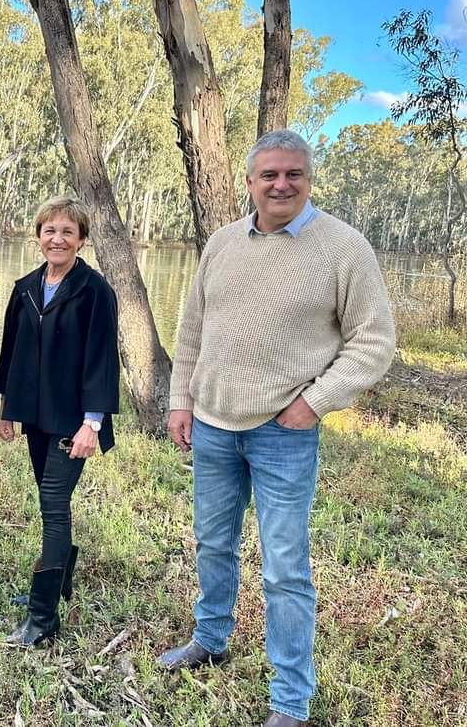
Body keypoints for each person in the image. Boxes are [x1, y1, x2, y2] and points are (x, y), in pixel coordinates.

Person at [160, 129, 396, 727]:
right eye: (269, 175)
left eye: (293, 174)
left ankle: (290, 701)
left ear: (309, 179)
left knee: (285, 566)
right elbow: (193, 330)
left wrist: (315, 402)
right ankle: (210, 641)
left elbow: (374, 343)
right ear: (249, 183)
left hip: (284, 433)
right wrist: (180, 399)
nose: (281, 184)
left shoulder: (343, 248)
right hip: (213, 427)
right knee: (213, 542)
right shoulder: (221, 244)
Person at [0, 196, 120, 647]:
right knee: (49, 499)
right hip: (35, 416)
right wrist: (7, 409)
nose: (57, 238)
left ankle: (42, 618)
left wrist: (93, 423)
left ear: (81, 239)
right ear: (38, 236)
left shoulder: (95, 290)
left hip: (73, 418)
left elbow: (103, 359)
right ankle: (57, 581)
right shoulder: (25, 286)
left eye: (67, 231)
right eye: (49, 230)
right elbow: (12, 352)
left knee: (53, 502)